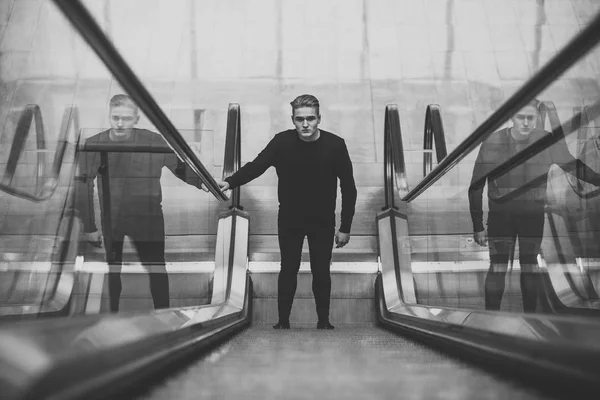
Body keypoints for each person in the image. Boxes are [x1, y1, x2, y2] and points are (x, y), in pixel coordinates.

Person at [218, 94, 357, 329]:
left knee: (321, 272)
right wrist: (230, 182)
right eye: (299, 119)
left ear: (319, 119)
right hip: (290, 219)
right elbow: (256, 166)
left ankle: (324, 321)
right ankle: (283, 322)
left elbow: (349, 188)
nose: (305, 124)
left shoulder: (335, 145)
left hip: (323, 221)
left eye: (310, 118)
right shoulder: (282, 142)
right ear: (293, 119)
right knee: (288, 269)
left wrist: (345, 227)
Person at [76, 94, 206, 312]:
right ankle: (113, 315)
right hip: (113, 218)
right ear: (109, 115)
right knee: (113, 270)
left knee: (156, 268)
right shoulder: (94, 144)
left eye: (125, 118)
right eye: (115, 117)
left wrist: (204, 184)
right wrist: (89, 228)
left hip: (148, 217)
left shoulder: (152, 140)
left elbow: (178, 167)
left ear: (136, 118)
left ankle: (164, 314)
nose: (119, 123)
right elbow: (83, 186)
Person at [468, 98, 600, 313]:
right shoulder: (494, 142)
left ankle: (530, 316)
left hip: (532, 216)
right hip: (501, 216)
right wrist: (477, 225)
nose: (526, 123)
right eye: (521, 118)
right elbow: (476, 185)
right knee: (499, 266)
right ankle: (491, 315)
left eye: (531, 118)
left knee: (529, 266)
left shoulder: (545, 141)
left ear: (537, 118)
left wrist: (597, 179)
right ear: (512, 118)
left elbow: (572, 165)